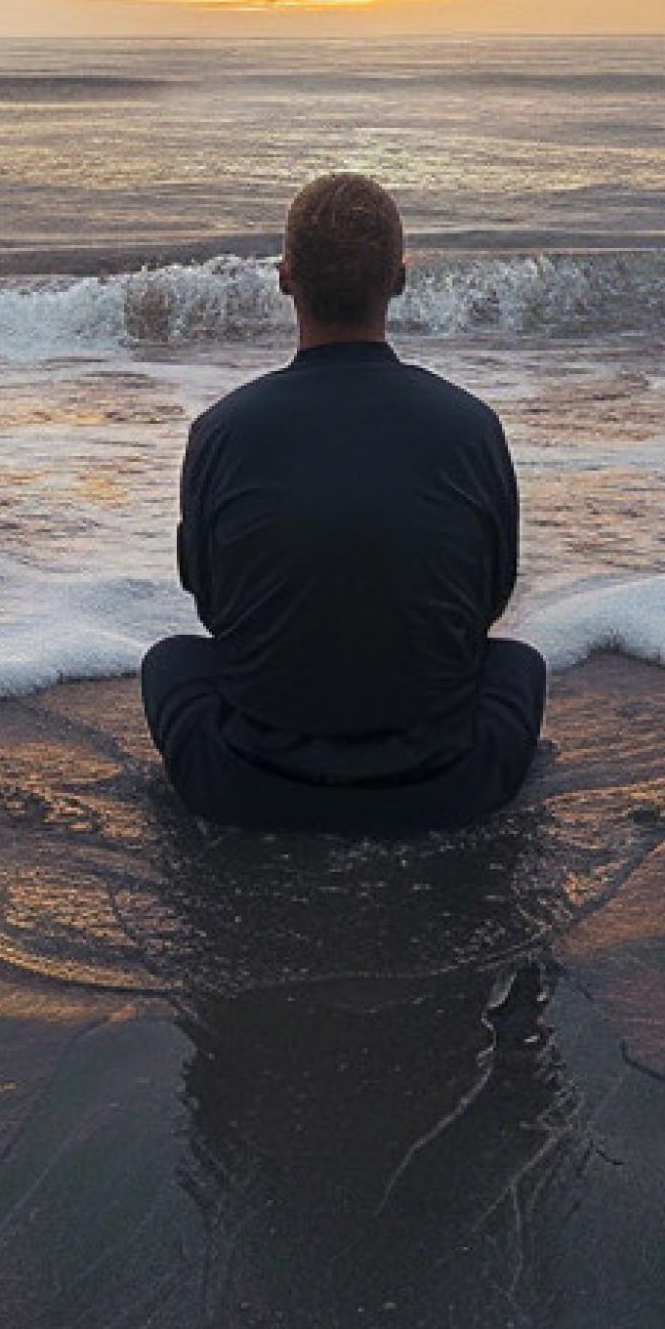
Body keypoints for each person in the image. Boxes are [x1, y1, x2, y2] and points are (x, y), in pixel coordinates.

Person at [140, 171, 547, 833]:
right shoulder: (470, 425)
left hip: (249, 783)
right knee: (517, 666)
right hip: (448, 781)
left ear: (284, 278)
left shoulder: (221, 430)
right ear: (400, 279)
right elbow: (489, 603)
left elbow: (214, 606)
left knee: (171, 662)